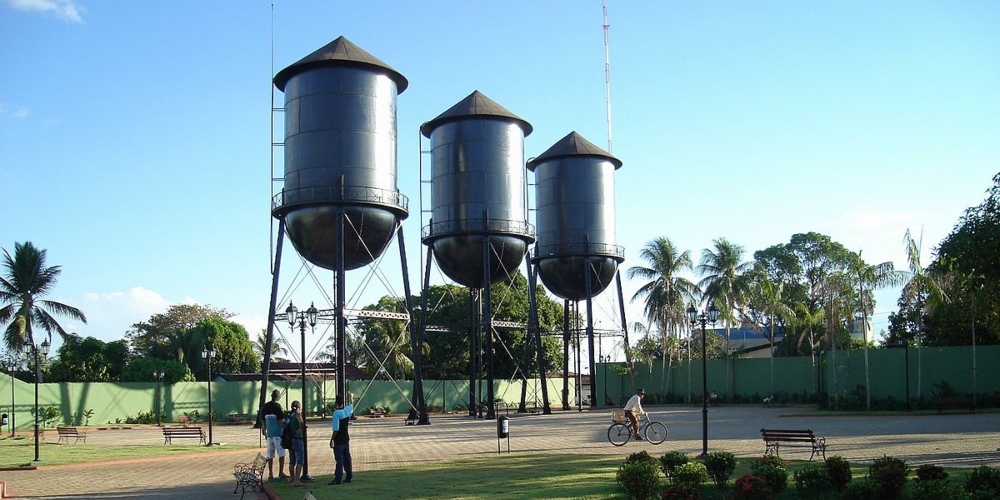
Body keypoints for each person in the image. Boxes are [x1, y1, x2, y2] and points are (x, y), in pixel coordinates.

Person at [261, 389, 288, 480]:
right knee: (281, 453)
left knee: (270, 454)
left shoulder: (265, 406)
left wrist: (264, 429)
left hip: (269, 434)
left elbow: (263, 419)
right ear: (278, 397)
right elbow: (280, 421)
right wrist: (285, 424)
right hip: (277, 433)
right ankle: (281, 472)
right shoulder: (277, 406)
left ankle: (270, 473)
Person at [328, 394, 354, 485]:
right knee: (347, 458)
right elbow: (351, 406)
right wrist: (350, 397)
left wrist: (331, 439)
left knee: (339, 460)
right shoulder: (347, 410)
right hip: (346, 438)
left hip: (338, 439)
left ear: (336, 403)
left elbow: (336, 429)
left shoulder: (336, 413)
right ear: (343, 403)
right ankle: (349, 476)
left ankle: (338, 478)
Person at [287, 400, 305, 487]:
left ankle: (292, 478)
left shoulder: (289, 415)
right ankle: (297, 480)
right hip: (298, 439)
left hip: (290, 440)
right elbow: (301, 423)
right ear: (298, 408)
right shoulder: (297, 415)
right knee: (300, 460)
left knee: (292, 460)